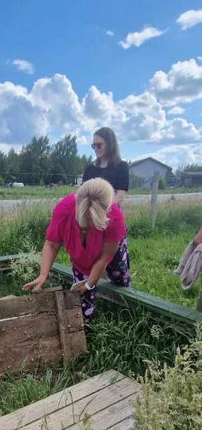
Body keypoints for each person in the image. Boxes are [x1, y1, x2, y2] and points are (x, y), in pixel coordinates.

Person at [22, 178, 130, 322]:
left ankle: (122, 314)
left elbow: (103, 258)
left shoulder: (115, 217)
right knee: (83, 298)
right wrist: (43, 274)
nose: (86, 226)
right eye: (84, 219)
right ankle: (85, 329)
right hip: (80, 255)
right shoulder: (63, 210)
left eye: (92, 221)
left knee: (119, 278)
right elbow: (52, 245)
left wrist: (90, 283)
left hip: (108, 248)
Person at [83, 127, 130, 286]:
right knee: (95, 257)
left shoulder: (121, 167)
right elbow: (83, 196)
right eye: (93, 146)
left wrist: (102, 212)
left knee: (115, 262)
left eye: (99, 145)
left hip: (111, 220)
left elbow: (120, 195)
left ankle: (121, 294)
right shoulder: (90, 169)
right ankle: (97, 290)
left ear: (109, 144)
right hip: (91, 222)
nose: (95, 148)